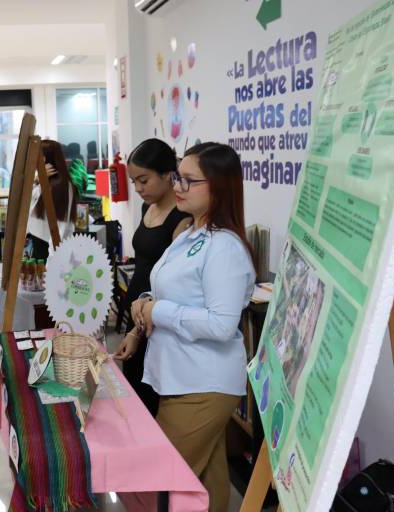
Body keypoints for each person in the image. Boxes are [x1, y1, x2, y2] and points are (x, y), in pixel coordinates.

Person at [115, 142, 256, 512]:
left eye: (189, 181)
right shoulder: (192, 234)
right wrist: (143, 312)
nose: (178, 186)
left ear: (219, 187)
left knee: (160, 482)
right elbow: (167, 288)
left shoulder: (224, 248)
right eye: (179, 177)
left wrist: (157, 310)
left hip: (202, 383)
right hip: (180, 376)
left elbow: (222, 324)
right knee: (205, 483)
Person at [121, 138, 191, 416]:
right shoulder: (146, 208)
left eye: (143, 180)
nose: (138, 189)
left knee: (152, 400)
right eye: (134, 182)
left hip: (155, 319)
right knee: (133, 393)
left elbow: (175, 283)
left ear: (167, 175)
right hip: (135, 313)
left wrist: (141, 326)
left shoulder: (182, 218)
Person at [26, 139, 78, 260]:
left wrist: (52, 263)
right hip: (39, 250)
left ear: (43, 159)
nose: (32, 162)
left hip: (51, 254)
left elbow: (61, 229)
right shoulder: (43, 183)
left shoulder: (62, 186)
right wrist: (36, 180)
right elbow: (26, 205)